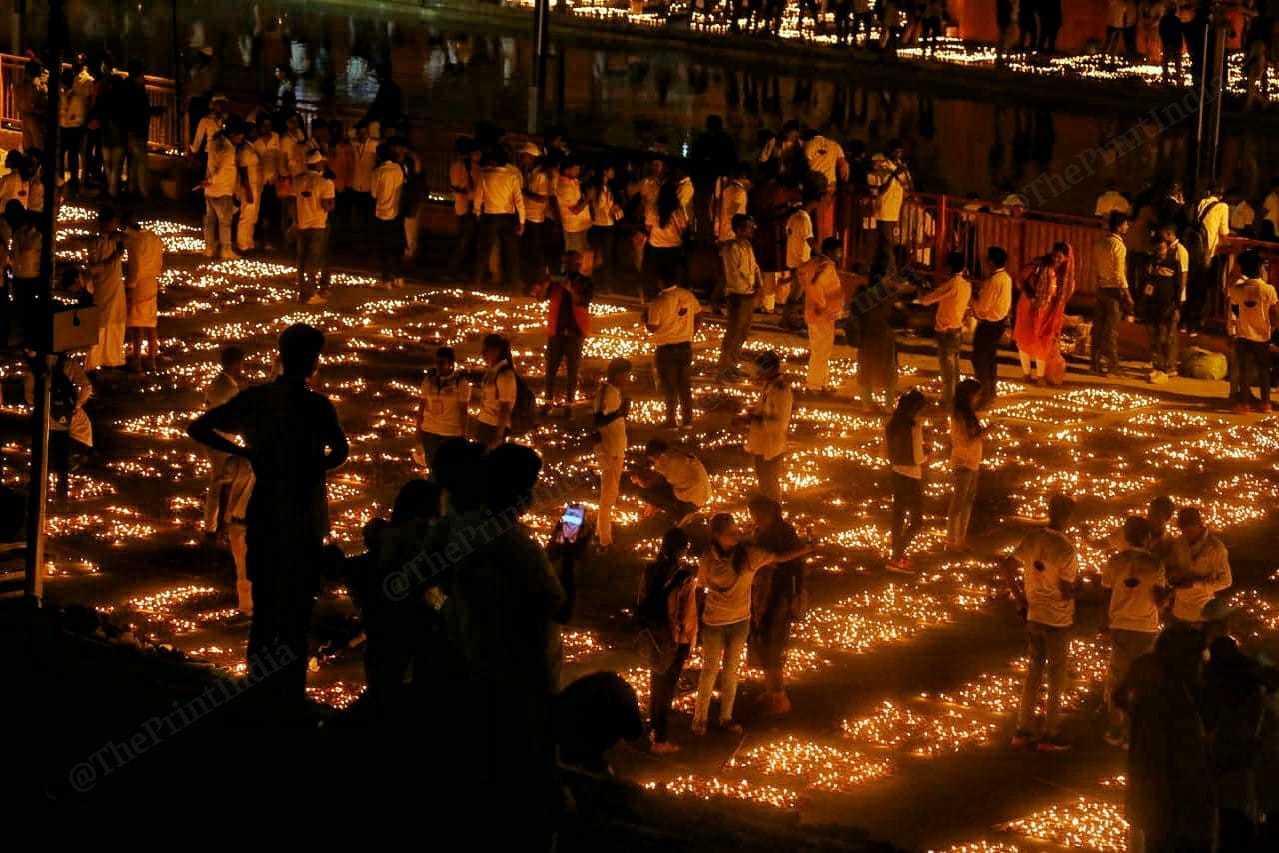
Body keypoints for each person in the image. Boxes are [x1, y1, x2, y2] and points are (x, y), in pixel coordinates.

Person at [187, 324, 349, 709]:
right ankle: (288, 696)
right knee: (296, 610)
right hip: (303, 517)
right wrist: (314, 466)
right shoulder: (316, 406)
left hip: (266, 510)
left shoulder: (256, 400)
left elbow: (198, 426)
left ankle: (257, 691)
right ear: (312, 362)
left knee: (265, 608)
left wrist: (248, 454)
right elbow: (340, 451)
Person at [692, 513, 810, 736]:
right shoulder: (708, 558)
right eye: (731, 532)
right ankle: (700, 719)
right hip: (714, 622)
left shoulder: (748, 555)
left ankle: (726, 717)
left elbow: (779, 557)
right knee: (709, 671)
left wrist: (805, 550)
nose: (736, 535)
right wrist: (694, 619)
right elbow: (700, 587)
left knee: (731, 671)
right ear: (717, 536)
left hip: (739, 621)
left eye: (736, 530)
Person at [1124, 625, 1217, 852]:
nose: (1203, 663)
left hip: (1161, 812)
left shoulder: (1159, 691)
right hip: (1172, 814)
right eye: (1199, 656)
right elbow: (1178, 762)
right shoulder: (1168, 702)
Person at [1006, 493, 1078, 752]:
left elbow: (1007, 565)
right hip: (1057, 618)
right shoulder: (1067, 549)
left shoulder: (1033, 538)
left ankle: (1022, 730)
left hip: (1034, 614)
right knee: (1056, 676)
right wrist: (1073, 594)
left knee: (1033, 671)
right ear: (1068, 517)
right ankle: (1050, 733)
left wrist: (1021, 598)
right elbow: (1067, 588)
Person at [1100, 516, 1168, 747]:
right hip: (1145, 627)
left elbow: (1107, 588)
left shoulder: (1115, 561)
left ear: (1126, 536)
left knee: (1117, 679)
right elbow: (1159, 601)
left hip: (1119, 625)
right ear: (1147, 537)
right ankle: (1134, 732)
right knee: (1141, 681)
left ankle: (1114, 729)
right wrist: (1171, 593)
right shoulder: (1155, 564)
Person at [636, 528, 697, 753]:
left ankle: (654, 729)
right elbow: (688, 614)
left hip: (652, 636)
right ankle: (661, 740)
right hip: (674, 637)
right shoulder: (684, 577)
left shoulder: (650, 570)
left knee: (656, 683)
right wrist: (689, 640)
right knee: (666, 689)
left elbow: (642, 600)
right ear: (682, 550)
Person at [747, 496, 808, 716]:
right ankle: (770, 690)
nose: (755, 520)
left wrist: (772, 564)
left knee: (773, 643)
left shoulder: (784, 534)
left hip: (778, 595)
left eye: (758, 516)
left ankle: (780, 696)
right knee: (763, 641)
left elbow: (789, 563)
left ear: (770, 515)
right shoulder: (761, 532)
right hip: (761, 594)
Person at [25, 351, 92, 503]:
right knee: (60, 463)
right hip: (66, 422)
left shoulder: (36, 367)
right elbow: (86, 387)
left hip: (45, 420)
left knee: (42, 459)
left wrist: (41, 406)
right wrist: (75, 405)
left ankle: (39, 496)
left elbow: (29, 397)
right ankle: (61, 497)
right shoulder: (69, 364)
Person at [537, 250, 593, 415]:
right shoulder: (556, 282)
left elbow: (583, 302)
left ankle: (569, 405)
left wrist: (571, 290)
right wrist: (546, 284)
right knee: (550, 370)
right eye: (565, 263)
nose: (567, 267)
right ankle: (548, 402)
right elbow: (540, 298)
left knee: (572, 372)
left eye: (570, 263)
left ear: (578, 264)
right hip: (556, 333)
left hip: (575, 334)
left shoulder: (585, 282)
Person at [1013, 242, 1074, 385]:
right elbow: (1020, 280)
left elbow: (1064, 295)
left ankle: (1040, 376)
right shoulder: (1038, 265)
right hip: (1029, 306)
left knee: (1043, 340)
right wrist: (1032, 295)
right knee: (1024, 338)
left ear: (1066, 259)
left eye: (1060, 257)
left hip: (1048, 312)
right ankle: (1026, 374)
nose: (1056, 260)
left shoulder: (1065, 275)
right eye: (1055, 256)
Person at [202, 346, 247, 538]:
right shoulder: (226, 387)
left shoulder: (219, 382)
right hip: (219, 440)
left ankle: (216, 525)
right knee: (219, 483)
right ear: (235, 364)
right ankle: (214, 526)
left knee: (221, 482)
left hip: (216, 438)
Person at [918, 252, 972, 409]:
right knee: (954, 366)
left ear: (949, 266)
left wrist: (922, 295)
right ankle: (956, 396)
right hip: (957, 329)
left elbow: (928, 299)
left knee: (948, 368)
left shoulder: (952, 284)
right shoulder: (966, 285)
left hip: (946, 330)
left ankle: (949, 400)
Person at [645, 274, 701, 428]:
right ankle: (687, 420)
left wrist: (645, 318)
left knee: (669, 386)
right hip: (685, 346)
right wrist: (691, 332)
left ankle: (670, 420)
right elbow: (698, 314)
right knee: (684, 385)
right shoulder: (687, 296)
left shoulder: (659, 301)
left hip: (666, 349)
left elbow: (652, 327)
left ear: (660, 281)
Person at [738, 350, 794, 501]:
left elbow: (779, 422)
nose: (759, 373)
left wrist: (752, 420)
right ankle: (769, 513)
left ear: (772, 369)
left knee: (769, 484)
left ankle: (774, 513)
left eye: (762, 369)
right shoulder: (770, 385)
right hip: (762, 442)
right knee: (764, 482)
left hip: (771, 444)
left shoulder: (781, 390)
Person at [1227, 251, 1279, 413]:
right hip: (1263, 336)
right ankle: (1266, 403)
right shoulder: (1268, 289)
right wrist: (1274, 328)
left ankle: (1244, 404)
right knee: (1264, 370)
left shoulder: (1237, 289)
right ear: (1260, 269)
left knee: (1245, 371)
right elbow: (1274, 311)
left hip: (1243, 335)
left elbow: (1234, 308)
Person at [884, 390, 928, 572]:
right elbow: (918, 458)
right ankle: (896, 556)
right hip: (912, 476)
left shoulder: (890, 424)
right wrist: (928, 455)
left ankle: (896, 554)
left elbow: (883, 452)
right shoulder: (914, 427)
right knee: (917, 521)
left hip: (896, 473)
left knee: (898, 516)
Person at [1167, 506, 1232, 627]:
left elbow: (1226, 581)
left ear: (1199, 525)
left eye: (1189, 531)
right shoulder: (1180, 542)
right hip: (1179, 612)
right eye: (1183, 531)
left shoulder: (1216, 548)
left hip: (1202, 614)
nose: (1186, 535)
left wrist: (1195, 584)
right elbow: (1172, 565)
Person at [797, 237, 846, 393]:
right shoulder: (825, 266)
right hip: (821, 314)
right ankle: (814, 384)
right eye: (839, 250)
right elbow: (814, 283)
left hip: (818, 313)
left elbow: (801, 272)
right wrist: (821, 303)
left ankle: (821, 382)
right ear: (830, 251)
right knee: (821, 350)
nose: (841, 254)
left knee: (822, 349)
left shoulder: (815, 262)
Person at [472, 146, 525, 290]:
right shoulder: (512, 177)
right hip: (507, 217)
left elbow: (478, 197)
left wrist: (477, 212)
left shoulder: (485, 176)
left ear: (493, 161)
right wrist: (521, 221)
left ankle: (477, 279)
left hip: (489, 217)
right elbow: (518, 200)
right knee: (511, 250)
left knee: (484, 249)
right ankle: (515, 281)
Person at [718, 214, 763, 383]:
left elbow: (755, 267)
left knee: (742, 333)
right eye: (748, 227)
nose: (752, 230)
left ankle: (733, 365)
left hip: (749, 294)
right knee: (733, 334)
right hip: (738, 295)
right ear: (738, 229)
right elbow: (733, 274)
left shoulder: (747, 246)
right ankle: (724, 369)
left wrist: (758, 284)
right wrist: (747, 289)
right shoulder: (732, 248)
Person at [1139, 222, 1186, 383]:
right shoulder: (1151, 263)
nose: (1160, 252)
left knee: (1167, 337)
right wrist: (1143, 302)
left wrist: (1177, 307)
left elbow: (1179, 286)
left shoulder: (1174, 264)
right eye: (1157, 250)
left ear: (1167, 248)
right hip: (1153, 306)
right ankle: (1158, 366)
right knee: (1155, 338)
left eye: (1162, 249)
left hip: (1169, 306)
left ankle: (1168, 367)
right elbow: (1147, 284)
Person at [593, 358, 632, 550]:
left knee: (609, 491)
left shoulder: (610, 391)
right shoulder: (608, 393)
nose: (628, 378)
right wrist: (620, 413)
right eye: (626, 374)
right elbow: (599, 420)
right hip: (611, 449)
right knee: (609, 493)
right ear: (617, 374)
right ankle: (604, 540)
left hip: (613, 447)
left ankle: (601, 532)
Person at [84, 208, 127, 372]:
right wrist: (113, 258)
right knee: (101, 323)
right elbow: (94, 267)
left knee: (116, 320)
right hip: (102, 286)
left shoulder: (117, 240)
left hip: (116, 285)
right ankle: (95, 358)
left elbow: (133, 235)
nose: (116, 225)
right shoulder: (96, 243)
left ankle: (113, 357)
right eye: (113, 222)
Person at [416, 346, 471, 474]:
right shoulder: (429, 380)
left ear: (451, 364)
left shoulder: (460, 383)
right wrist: (418, 430)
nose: (438, 366)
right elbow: (422, 406)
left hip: (450, 434)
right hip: (430, 432)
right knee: (432, 469)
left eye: (442, 363)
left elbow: (464, 412)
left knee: (449, 470)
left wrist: (463, 436)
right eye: (437, 362)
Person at [1092, 212, 1134, 377]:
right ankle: (1113, 367)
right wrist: (1127, 295)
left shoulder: (1100, 243)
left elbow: (1096, 267)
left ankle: (1094, 364)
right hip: (1114, 291)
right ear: (1119, 226)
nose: (1127, 227)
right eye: (1125, 224)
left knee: (1098, 329)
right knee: (1111, 331)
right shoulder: (1118, 246)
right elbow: (1119, 274)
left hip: (1101, 288)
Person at [1185, 184, 1230, 333]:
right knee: (1202, 288)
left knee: (1191, 285)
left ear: (1209, 192)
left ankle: (1184, 322)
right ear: (1221, 195)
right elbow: (1224, 232)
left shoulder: (1201, 203)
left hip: (1193, 249)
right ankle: (1195, 323)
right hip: (1208, 252)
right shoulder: (1223, 206)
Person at [947, 378, 986, 552]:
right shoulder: (958, 417)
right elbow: (964, 441)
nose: (978, 398)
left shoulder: (969, 415)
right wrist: (984, 433)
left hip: (973, 462)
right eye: (977, 395)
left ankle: (960, 540)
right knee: (958, 504)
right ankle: (952, 541)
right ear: (969, 396)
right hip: (963, 463)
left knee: (967, 503)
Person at [199, 118, 247, 260]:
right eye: (240, 136)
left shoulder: (215, 142)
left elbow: (212, 165)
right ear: (232, 134)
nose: (241, 138)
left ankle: (209, 248)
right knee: (225, 221)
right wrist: (210, 180)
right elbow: (222, 171)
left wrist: (208, 181)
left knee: (210, 220)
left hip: (210, 190)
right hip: (222, 190)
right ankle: (225, 249)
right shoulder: (228, 149)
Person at [632, 439, 711, 524]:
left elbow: (647, 483)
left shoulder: (664, 461)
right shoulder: (676, 453)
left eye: (652, 459)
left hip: (690, 502)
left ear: (655, 455)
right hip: (703, 495)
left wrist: (637, 479)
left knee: (643, 492)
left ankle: (679, 514)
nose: (653, 462)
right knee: (661, 487)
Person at [122, 214, 164, 372]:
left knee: (136, 325)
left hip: (139, 284)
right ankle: (152, 360)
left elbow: (135, 266)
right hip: (152, 282)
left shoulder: (135, 242)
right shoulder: (154, 237)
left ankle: (137, 361)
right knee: (151, 324)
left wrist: (130, 288)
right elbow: (159, 261)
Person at [972, 246, 1013, 408]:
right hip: (999, 323)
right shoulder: (1006, 278)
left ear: (991, 261)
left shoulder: (993, 281)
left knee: (980, 359)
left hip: (988, 324)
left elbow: (983, 307)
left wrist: (973, 298)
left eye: (987, 260)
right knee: (989, 358)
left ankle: (985, 394)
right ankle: (991, 390)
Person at [294, 149, 336, 304]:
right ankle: (311, 293)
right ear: (318, 163)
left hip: (302, 223)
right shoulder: (325, 183)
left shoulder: (297, 180)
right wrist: (331, 203)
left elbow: (294, 200)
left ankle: (301, 292)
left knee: (302, 259)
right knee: (314, 259)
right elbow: (327, 206)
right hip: (318, 224)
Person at [473, 333, 518, 450]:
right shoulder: (493, 370)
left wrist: (498, 436)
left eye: (486, 350)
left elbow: (505, 407)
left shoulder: (505, 374)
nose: (482, 354)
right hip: (485, 423)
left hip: (494, 427)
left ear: (497, 351)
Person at [519, 143, 553, 285]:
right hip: (528, 216)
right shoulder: (530, 173)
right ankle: (531, 279)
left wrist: (524, 193)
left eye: (524, 156)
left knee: (535, 251)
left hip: (535, 218)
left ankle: (538, 280)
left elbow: (543, 198)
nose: (522, 158)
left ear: (532, 158)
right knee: (528, 250)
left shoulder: (541, 176)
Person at [372, 142, 405, 289]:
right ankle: (398, 276)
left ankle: (386, 279)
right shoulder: (398, 168)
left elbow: (374, 193)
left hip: (381, 213)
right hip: (396, 212)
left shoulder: (379, 172)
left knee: (384, 247)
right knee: (396, 246)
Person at [446, 137, 478, 280]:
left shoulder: (456, 165)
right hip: (468, 206)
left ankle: (458, 270)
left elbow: (455, 186)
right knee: (465, 239)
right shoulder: (469, 166)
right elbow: (462, 188)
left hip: (462, 205)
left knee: (465, 239)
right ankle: (454, 270)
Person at [555, 158, 592, 263]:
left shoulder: (573, 181)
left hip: (580, 225)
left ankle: (579, 275)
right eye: (575, 169)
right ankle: (571, 276)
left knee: (581, 255)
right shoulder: (564, 187)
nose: (578, 172)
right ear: (567, 170)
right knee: (575, 257)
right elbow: (575, 210)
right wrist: (588, 198)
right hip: (573, 227)